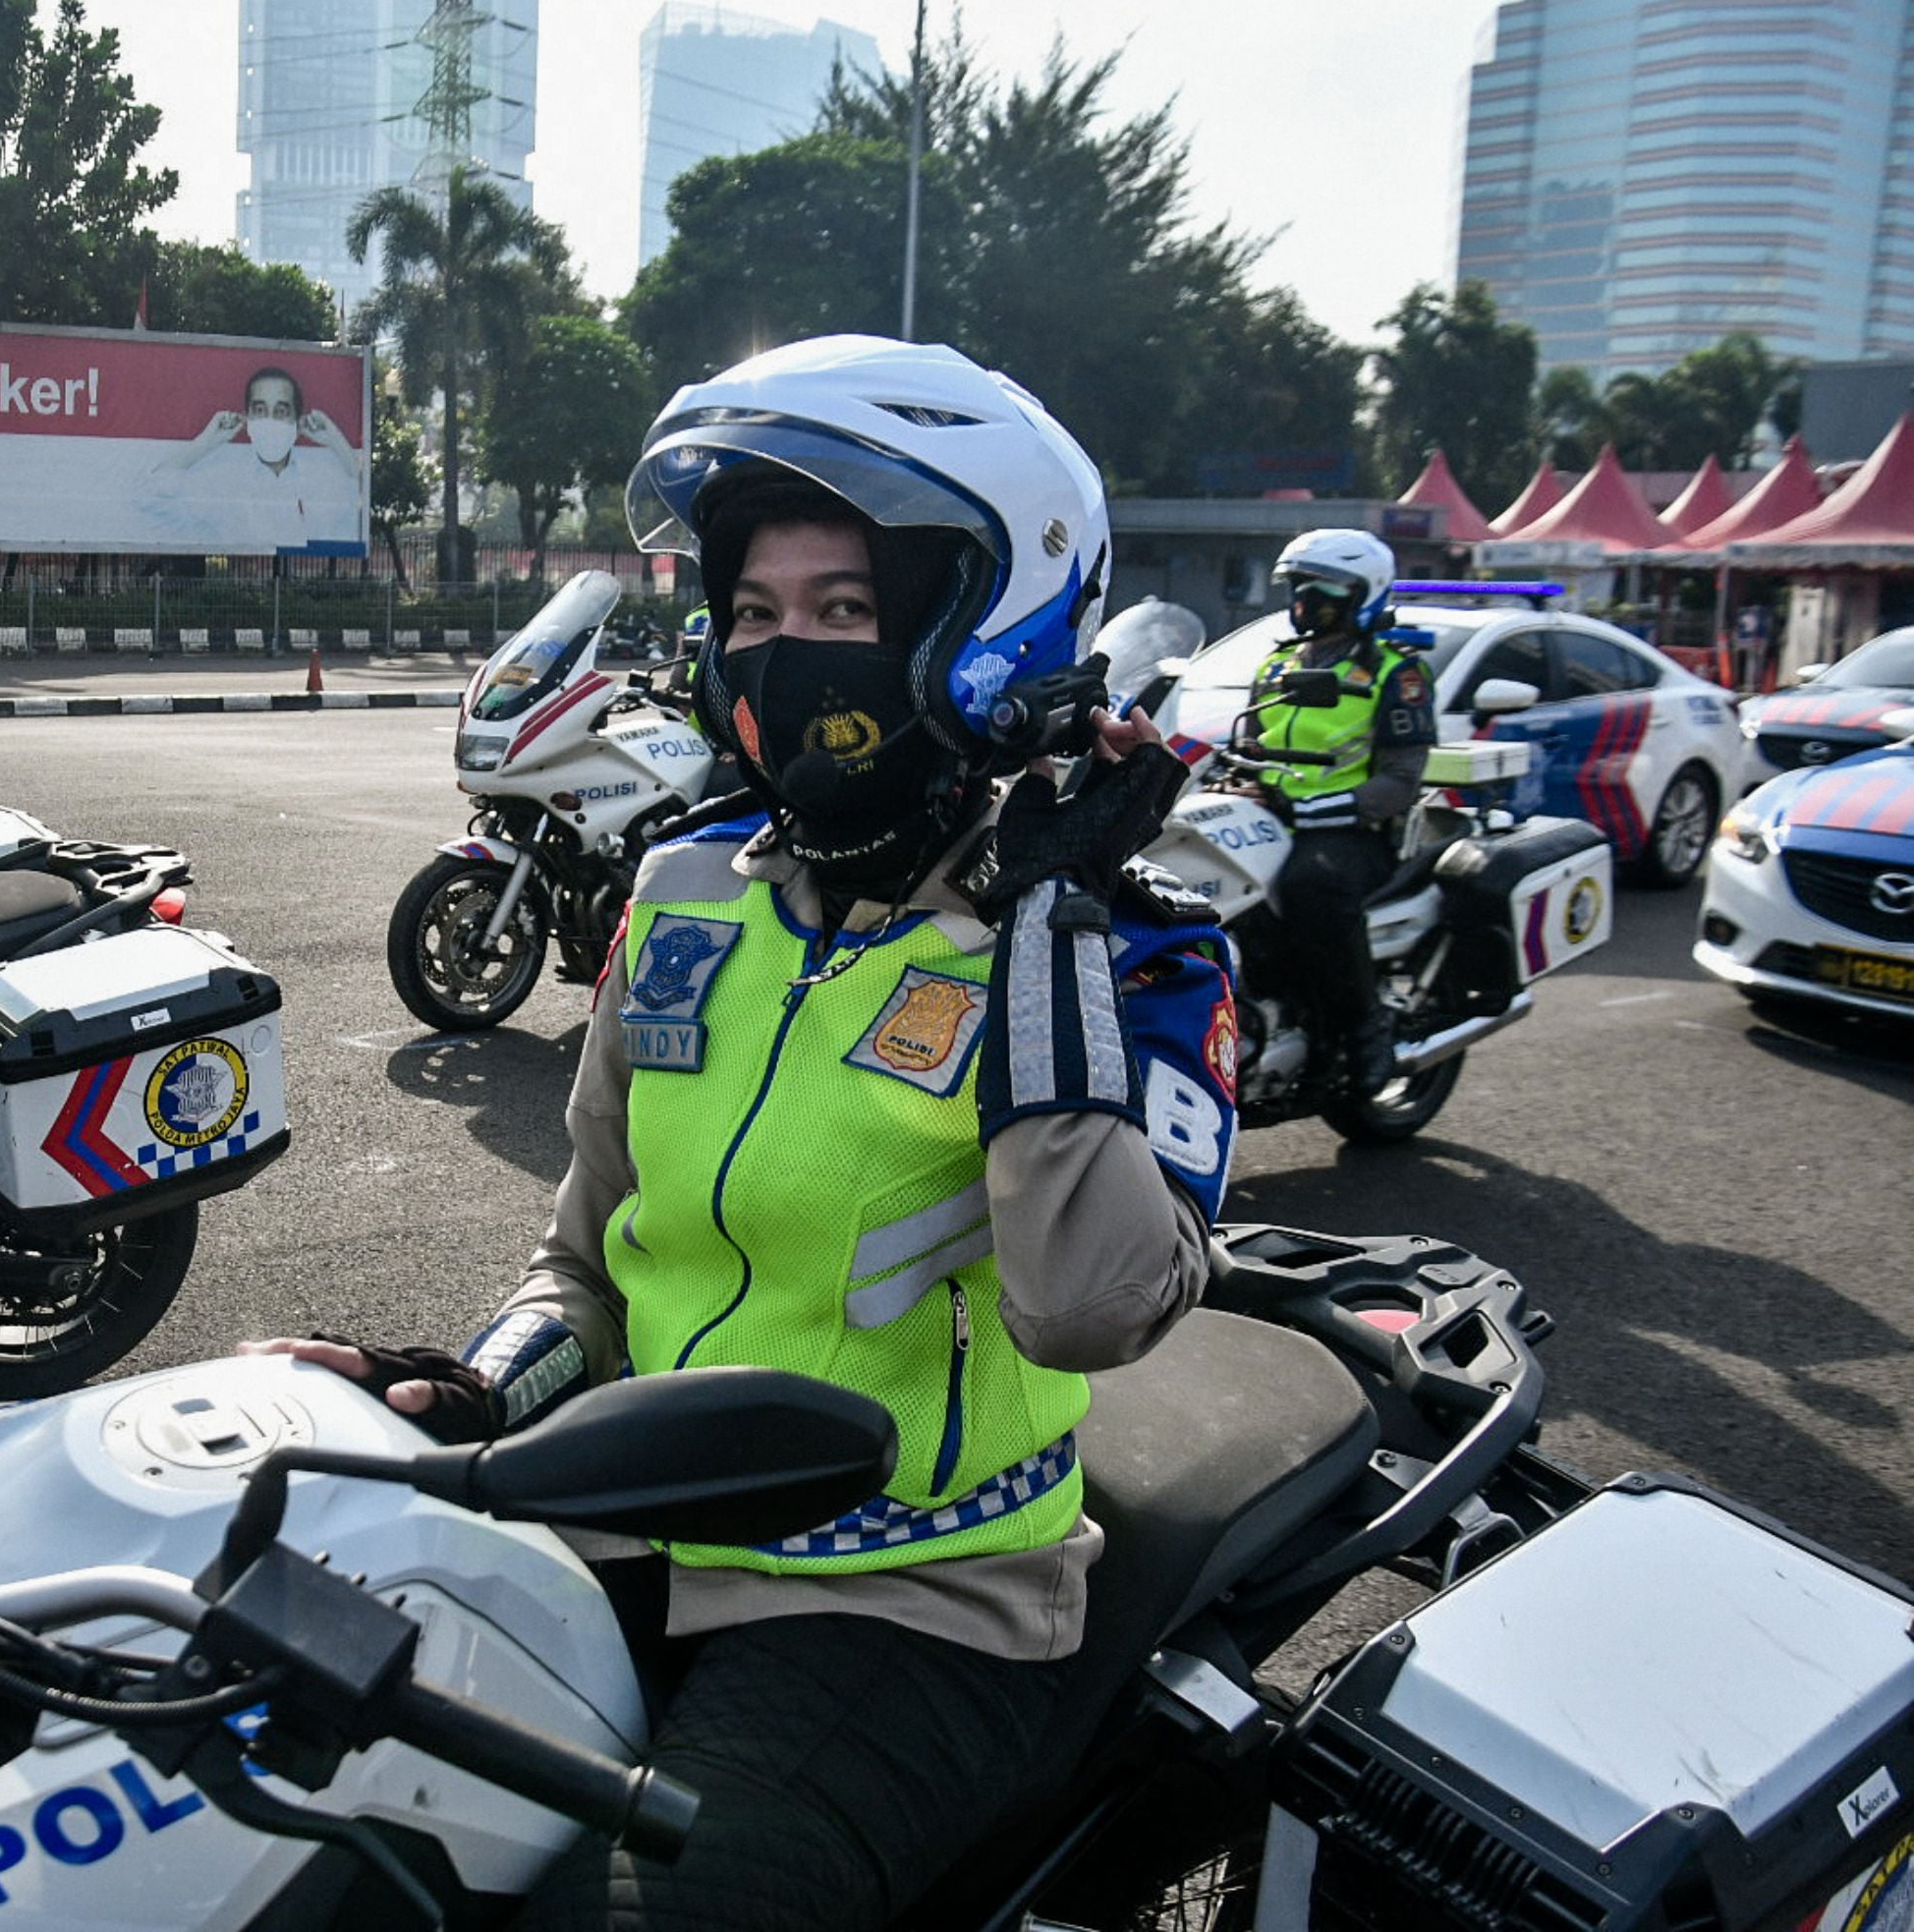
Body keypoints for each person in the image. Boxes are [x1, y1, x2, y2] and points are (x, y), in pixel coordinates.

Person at [249, 336, 1240, 1931]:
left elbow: (1092, 1305)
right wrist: (494, 1383)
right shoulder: (687, 887)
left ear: (979, 633)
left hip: (911, 1603)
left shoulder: (1131, 946)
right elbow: (590, 1250)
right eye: (756, 615)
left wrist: (1047, 924)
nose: (787, 659)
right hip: (623, 1525)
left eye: (845, 613)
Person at [1233, 528, 1435, 1099]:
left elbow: (1399, 782)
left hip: (1356, 832)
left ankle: (1364, 1029)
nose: (1304, 600)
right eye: (1298, 587)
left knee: (1309, 886)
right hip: (1274, 817)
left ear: (1361, 593)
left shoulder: (1398, 671)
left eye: (1320, 588)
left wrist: (1303, 806)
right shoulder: (1277, 665)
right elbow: (1249, 742)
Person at [144, 365, 363, 551]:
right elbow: (149, 497)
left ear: (297, 422)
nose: (270, 420)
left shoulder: (322, 481)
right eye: (260, 410)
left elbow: (362, 505)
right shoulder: (223, 482)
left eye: (281, 411)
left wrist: (336, 441)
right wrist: (207, 441)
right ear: (247, 418)